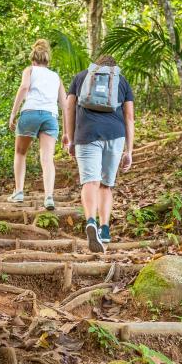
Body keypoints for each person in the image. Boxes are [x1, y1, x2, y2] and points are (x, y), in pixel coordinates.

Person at [62, 55, 134, 252]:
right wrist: (129, 150)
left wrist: (70, 137)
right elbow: (129, 117)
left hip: (87, 134)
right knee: (106, 185)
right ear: (113, 68)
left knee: (90, 181)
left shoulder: (81, 77)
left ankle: (91, 221)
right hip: (115, 135)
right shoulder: (121, 80)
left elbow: (69, 106)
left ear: (96, 66)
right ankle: (104, 228)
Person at [7, 39, 67, 210]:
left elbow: (24, 87)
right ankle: (48, 197)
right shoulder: (56, 77)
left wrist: (13, 113)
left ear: (33, 59)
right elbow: (65, 105)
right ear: (47, 61)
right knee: (47, 158)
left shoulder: (30, 70)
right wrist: (67, 132)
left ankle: (19, 192)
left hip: (31, 113)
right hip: (50, 116)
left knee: (20, 152)